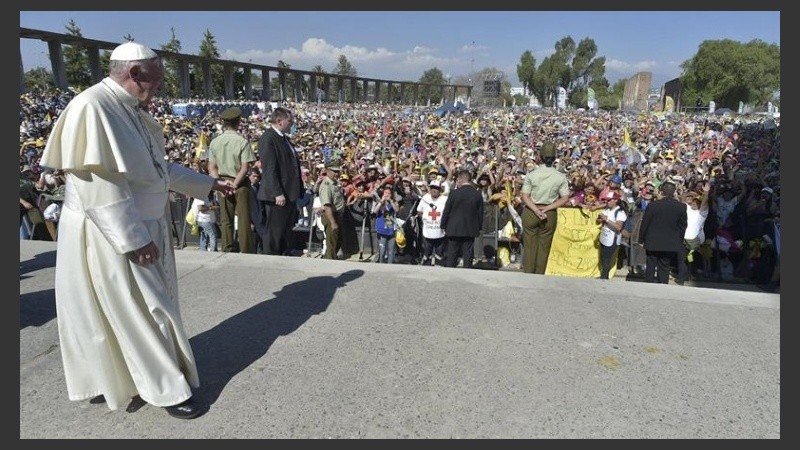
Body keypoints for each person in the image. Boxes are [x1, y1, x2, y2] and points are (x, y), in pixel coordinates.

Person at [38, 42, 235, 420]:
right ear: (136, 73)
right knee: (140, 310)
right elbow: (100, 184)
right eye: (157, 80)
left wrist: (208, 185)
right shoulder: (92, 106)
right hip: (111, 233)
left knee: (146, 308)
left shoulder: (129, 108)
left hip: (141, 225)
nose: (159, 89)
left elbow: (156, 169)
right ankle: (166, 388)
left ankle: (145, 375)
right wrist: (133, 239)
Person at [207, 106, 256, 253]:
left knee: (225, 219)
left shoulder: (215, 142)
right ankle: (246, 250)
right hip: (239, 183)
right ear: (238, 122)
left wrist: (220, 184)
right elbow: (245, 168)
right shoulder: (242, 142)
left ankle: (227, 248)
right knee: (243, 219)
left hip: (222, 181)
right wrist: (234, 185)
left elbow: (212, 167)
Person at [256, 107, 303, 256]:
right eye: (290, 121)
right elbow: (270, 169)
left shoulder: (284, 138)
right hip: (277, 195)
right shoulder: (268, 138)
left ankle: (283, 255)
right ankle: (271, 258)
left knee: (284, 230)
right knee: (274, 232)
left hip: (289, 192)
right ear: (279, 121)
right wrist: (277, 193)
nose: (292, 124)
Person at [519, 141, 570, 274]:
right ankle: (539, 274)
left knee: (529, 245)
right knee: (544, 246)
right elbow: (565, 198)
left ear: (540, 157)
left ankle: (529, 273)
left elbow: (525, 196)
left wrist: (536, 210)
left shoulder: (532, 174)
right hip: (550, 211)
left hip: (531, 210)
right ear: (554, 158)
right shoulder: (560, 176)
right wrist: (547, 209)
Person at [638, 181, 688, 284]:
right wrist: (679, 240)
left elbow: (645, 224)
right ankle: (663, 286)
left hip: (652, 240)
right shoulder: (681, 207)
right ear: (674, 192)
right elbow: (683, 226)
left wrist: (641, 239)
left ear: (662, 192)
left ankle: (648, 285)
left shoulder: (653, 205)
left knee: (650, 265)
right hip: (670, 242)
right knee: (664, 266)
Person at [440, 169, 484, 268]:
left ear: (460, 179)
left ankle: (450, 272)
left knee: (452, 253)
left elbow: (447, 211)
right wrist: (479, 226)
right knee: (468, 254)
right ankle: (467, 272)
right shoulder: (477, 194)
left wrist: (443, 225)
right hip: (470, 228)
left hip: (454, 228)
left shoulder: (454, 193)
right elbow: (480, 213)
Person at [317, 161, 347, 259]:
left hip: (337, 214)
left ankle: (329, 258)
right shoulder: (326, 185)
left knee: (339, 239)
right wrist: (333, 222)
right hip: (330, 216)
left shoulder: (333, 183)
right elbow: (327, 206)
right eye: (334, 171)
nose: (336, 173)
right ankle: (329, 261)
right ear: (327, 170)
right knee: (332, 242)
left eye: (337, 171)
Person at [415, 179, 448, 266]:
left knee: (439, 253)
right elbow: (419, 211)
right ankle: (426, 267)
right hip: (427, 231)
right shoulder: (425, 198)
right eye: (432, 188)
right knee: (427, 252)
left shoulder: (445, 199)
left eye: (436, 188)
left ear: (440, 189)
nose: (434, 190)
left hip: (440, 231)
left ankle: (439, 267)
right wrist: (425, 219)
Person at [596, 191, 627, 280]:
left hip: (612, 239)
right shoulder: (606, 209)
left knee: (606, 259)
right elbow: (600, 221)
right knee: (602, 258)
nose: (607, 202)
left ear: (615, 200)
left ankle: (604, 278)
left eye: (609, 200)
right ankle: (603, 275)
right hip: (604, 237)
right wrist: (600, 219)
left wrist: (607, 219)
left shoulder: (620, 212)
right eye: (606, 200)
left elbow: (618, 227)